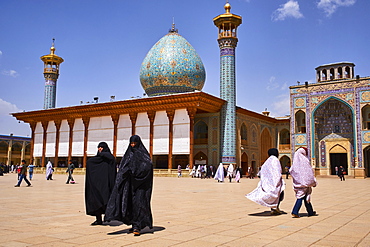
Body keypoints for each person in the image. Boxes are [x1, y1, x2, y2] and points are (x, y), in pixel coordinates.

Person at [105, 135, 153, 236]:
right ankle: (133, 224)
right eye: (131, 143)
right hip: (129, 185)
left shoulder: (144, 155)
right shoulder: (128, 155)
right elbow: (123, 168)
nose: (133, 145)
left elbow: (148, 167)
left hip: (141, 186)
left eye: (135, 143)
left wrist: (136, 173)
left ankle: (137, 226)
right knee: (129, 204)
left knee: (139, 204)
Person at [85, 142, 116, 226]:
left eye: (102, 147)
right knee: (96, 201)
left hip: (106, 184)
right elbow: (89, 163)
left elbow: (111, 160)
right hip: (96, 185)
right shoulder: (96, 160)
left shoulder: (109, 158)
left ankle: (108, 217)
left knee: (106, 200)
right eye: (99, 147)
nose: (100, 149)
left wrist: (103, 154)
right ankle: (98, 219)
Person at [246, 148, 285, 215]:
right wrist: (278, 180)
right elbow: (277, 171)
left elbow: (261, 172)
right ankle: (275, 208)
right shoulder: (275, 160)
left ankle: (274, 208)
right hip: (275, 182)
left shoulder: (267, 162)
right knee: (279, 195)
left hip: (267, 183)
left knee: (274, 195)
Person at [290, 147, 317, 218]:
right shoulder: (305, 161)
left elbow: (292, 171)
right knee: (301, 197)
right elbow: (308, 172)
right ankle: (295, 211)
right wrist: (312, 181)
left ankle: (310, 212)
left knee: (305, 197)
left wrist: (298, 179)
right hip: (305, 183)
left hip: (298, 183)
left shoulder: (295, 163)